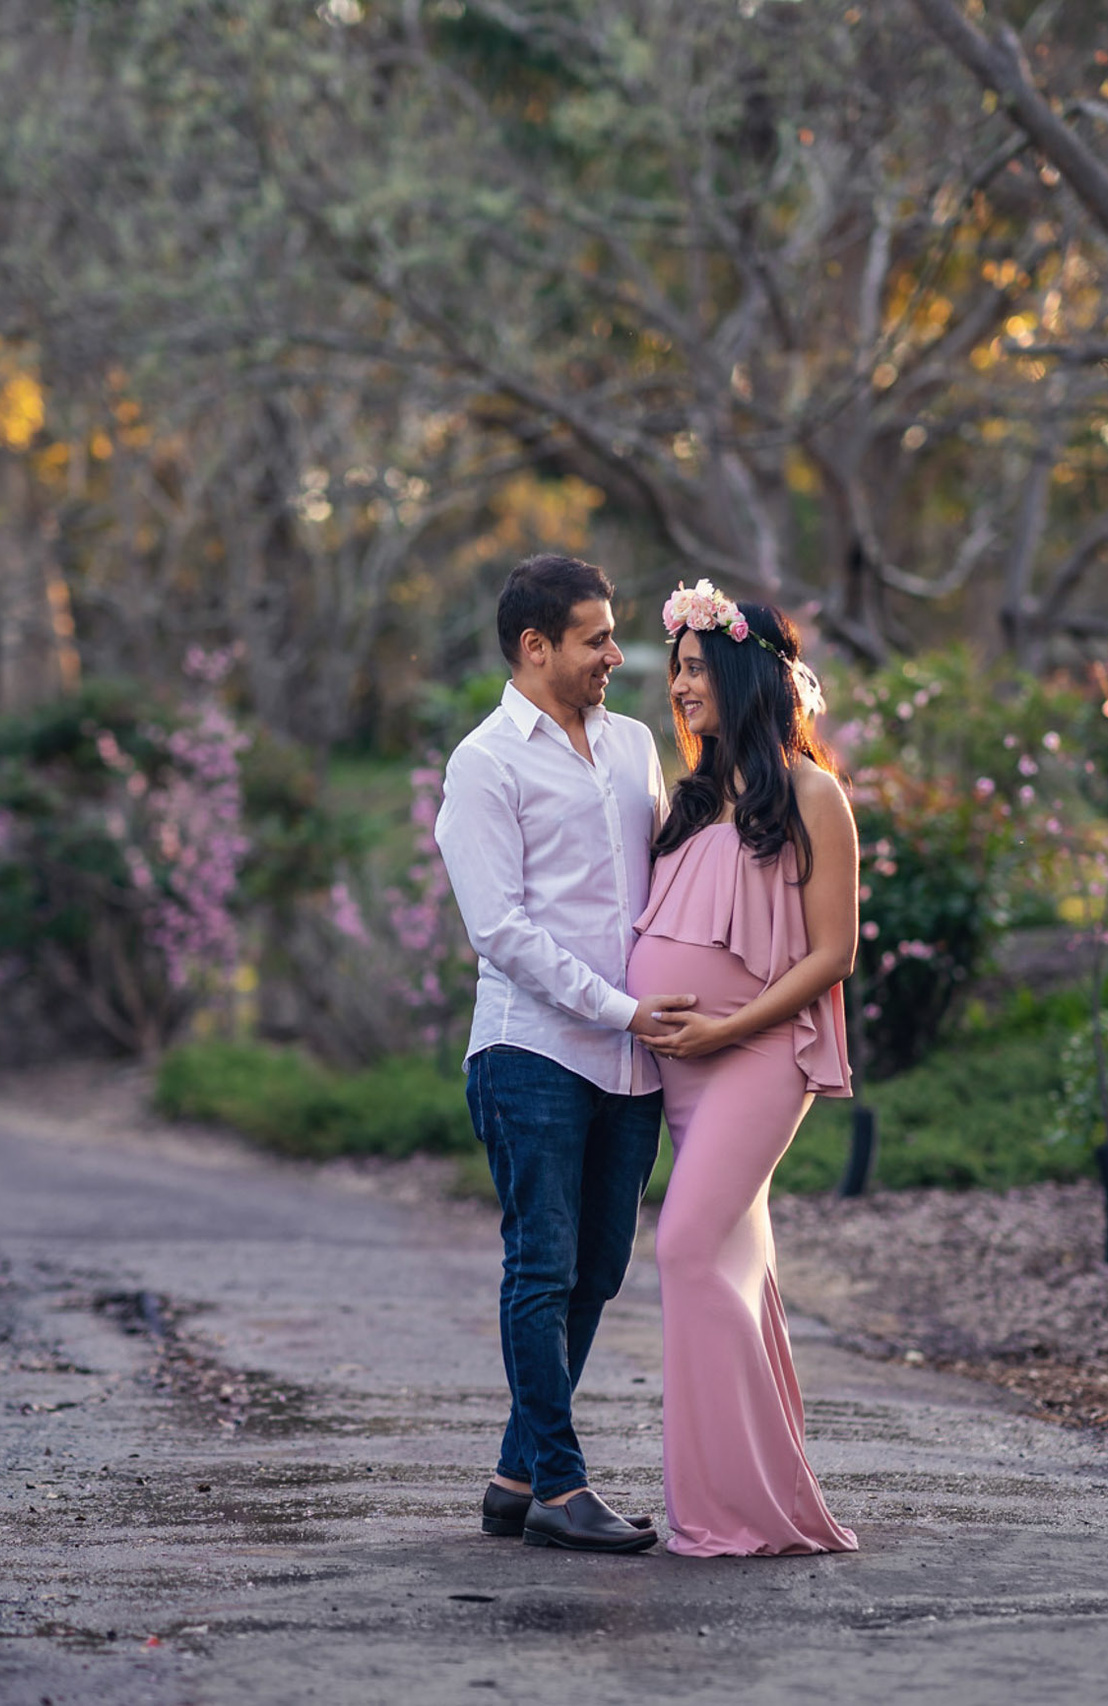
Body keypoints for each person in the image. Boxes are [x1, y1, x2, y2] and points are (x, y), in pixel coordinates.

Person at [435, 554, 697, 1554]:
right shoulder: (485, 761)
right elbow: (498, 928)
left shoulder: (633, 744)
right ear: (535, 646)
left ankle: (514, 1475)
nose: (615, 655)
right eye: (595, 637)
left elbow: (669, 873)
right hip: (534, 1049)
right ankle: (558, 1482)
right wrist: (621, 1007)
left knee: (596, 1271)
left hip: (632, 1061)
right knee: (539, 1267)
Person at [630, 581, 861, 1557]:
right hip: (685, 1066)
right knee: (732, 1262)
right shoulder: (688, 801)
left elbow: (831, 953)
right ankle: (757, 1499)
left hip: (763, 1053)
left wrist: (724, 1032)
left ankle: (730, 1511)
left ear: (742, 672)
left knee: (684, 1244)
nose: (681, 688)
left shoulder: (813, 792)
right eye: (676, 670)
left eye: (694, 668)